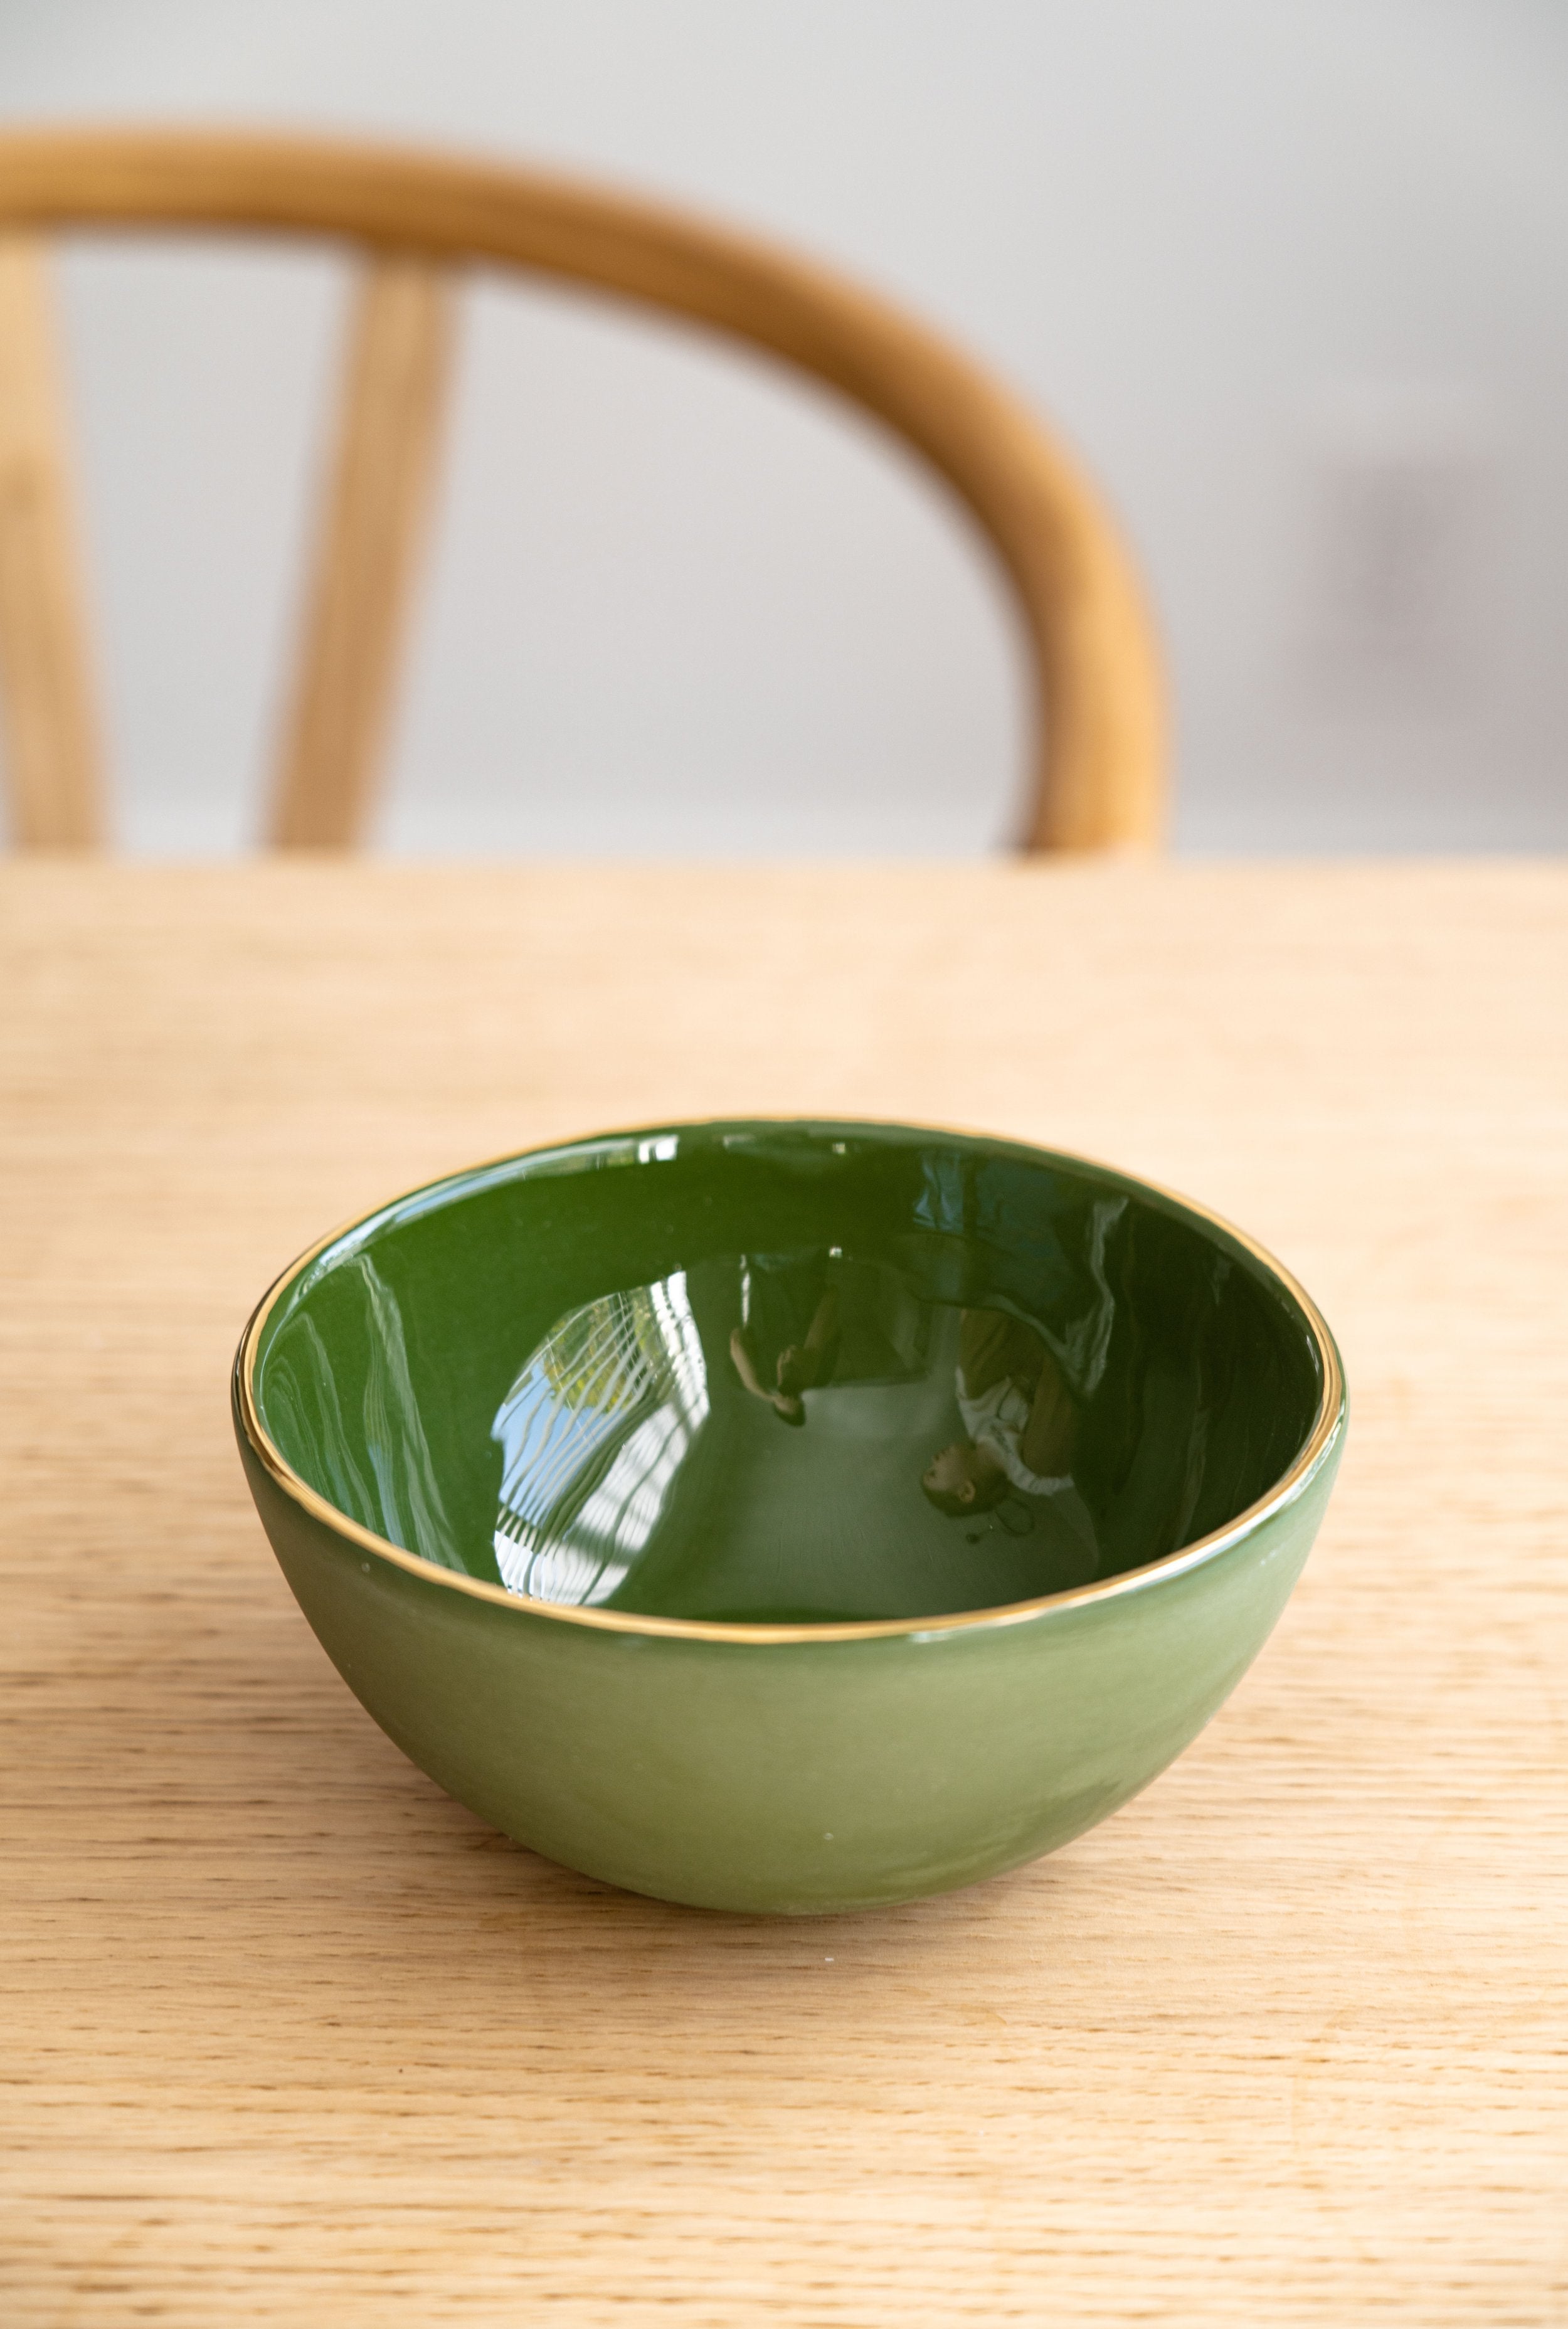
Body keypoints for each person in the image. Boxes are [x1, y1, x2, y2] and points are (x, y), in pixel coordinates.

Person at [921, 1306, 1078, 1515]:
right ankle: (1078, 1340)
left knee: (972, 1381)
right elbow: (1085, 1465)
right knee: (1042, 1463)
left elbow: (967, 1371)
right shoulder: (1030, 1480)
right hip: (1067, 1386)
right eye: (933, 1474)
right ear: (966, 1491)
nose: (934, 1460)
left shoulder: (977, 1426)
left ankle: (998, 1291)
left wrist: (968, 1314)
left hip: (1036, 1353)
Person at [728, 1271, 840, 1428]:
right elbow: (832, 1298)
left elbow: (736, 1339)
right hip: (805, 1268)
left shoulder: (762, 1376)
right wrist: (812, 1355)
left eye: (783, 1396)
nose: (789, 1395)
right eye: (795, 1397)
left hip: (762, 1269)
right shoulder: (819, 1375)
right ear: (802, 1402)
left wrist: (760, 1392)